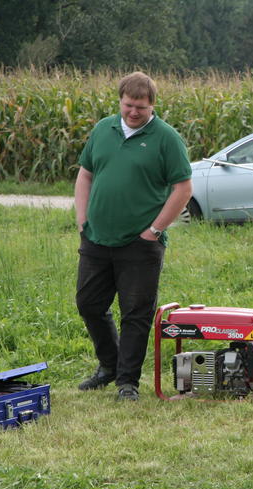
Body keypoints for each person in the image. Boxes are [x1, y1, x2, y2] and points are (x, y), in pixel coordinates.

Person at [75, 71, 193, 401]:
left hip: (140, 245)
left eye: (141, 107)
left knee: (136, 314)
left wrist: (154, 231)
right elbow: (85, 174)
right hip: (96, 238)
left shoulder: (166, 138)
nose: (133, 112)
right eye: (128, 105)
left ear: (152, 105)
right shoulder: (104, 129)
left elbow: (183, 188)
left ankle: (127, 382)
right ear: (120, 101)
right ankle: (109, 365)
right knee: (89, 304)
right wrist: (82, 220)